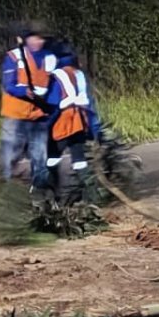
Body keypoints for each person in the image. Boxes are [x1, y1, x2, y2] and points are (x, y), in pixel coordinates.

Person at [40, 39, 102, 203]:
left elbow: (53, 105)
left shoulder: (55, 77)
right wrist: (94, 129)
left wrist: (45, 126)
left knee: (52, 159)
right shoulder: (76, 75)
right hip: (79, 122)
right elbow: (88, 102)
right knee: (79, 160)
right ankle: (92, 198)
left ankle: (53, 198)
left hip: (62, 124)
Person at [0, 25, 57, 188]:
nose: (37, 41)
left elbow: (53, 85)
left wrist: (51, 106)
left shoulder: (50, 58)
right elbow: (8, 85)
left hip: (39, 114)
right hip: (16, 115)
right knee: (12, 154)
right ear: (26, 39)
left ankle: (39, 189)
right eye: (34, 37)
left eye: (40, 38)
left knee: (40, 155)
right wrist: (24, 91)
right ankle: (7, 186)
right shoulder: (14, 56)